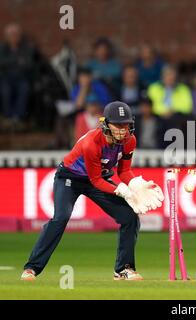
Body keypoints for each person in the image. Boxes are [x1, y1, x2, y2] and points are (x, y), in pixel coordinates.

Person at [21, 101, 164, 281]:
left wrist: (135, 184)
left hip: (98, 179)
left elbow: (124, 171)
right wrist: (122, 191)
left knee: (129, 217)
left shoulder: (130, 141)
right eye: (118, 125)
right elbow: (95, 179)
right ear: (106, 124)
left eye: (126, 124)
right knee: (61, 218)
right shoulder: (92, 143)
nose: (123, 130)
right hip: (70, 178)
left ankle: (123, 270)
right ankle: (31, 268)